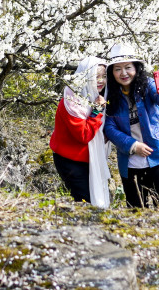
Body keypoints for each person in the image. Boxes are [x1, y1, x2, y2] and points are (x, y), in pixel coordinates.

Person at [103, 42, 159, 207]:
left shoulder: (147, 84)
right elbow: (109, 127)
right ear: (112, 72)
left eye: (128, 67)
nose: (123, 73)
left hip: (157, 152)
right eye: (117, 69)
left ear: (136, 68)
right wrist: (133, 145)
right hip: (130, 158)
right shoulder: (109, 95)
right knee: (135, 206)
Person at [49, 56, 110, 205]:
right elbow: (84, 135)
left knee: (92, 201)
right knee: (85, 202)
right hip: (71, 161)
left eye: (104, 76)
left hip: (90, 160)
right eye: (96, 77)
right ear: (86, 77)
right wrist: (96, 111)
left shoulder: (99, 97)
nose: (101, 81)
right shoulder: (71, 102)